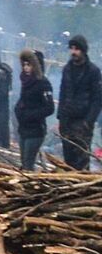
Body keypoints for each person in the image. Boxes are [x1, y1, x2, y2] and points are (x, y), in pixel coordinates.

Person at [58, 35, 102, 170]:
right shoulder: (67, 69)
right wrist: (60, 117)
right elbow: (62, 93)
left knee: (82, 160)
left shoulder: (93, 71)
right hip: (67, 121)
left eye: (76, 49)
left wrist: (88, 121)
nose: (73, 52)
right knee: (68, 160)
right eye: (71, 48)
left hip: (82, 123)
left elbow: (97, 99)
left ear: (83, 50)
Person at [15, 50, 56, 172]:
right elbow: (23, 100)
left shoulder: (43, 83)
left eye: (29, 65)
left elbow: (49, 108)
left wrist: (31, 115)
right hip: (23, 128)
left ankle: (29, 186)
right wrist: (18, 109)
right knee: (23, 161)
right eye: (24, 65)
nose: (26, 68)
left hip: (36, 130)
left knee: (28, 162)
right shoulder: (26, 82)